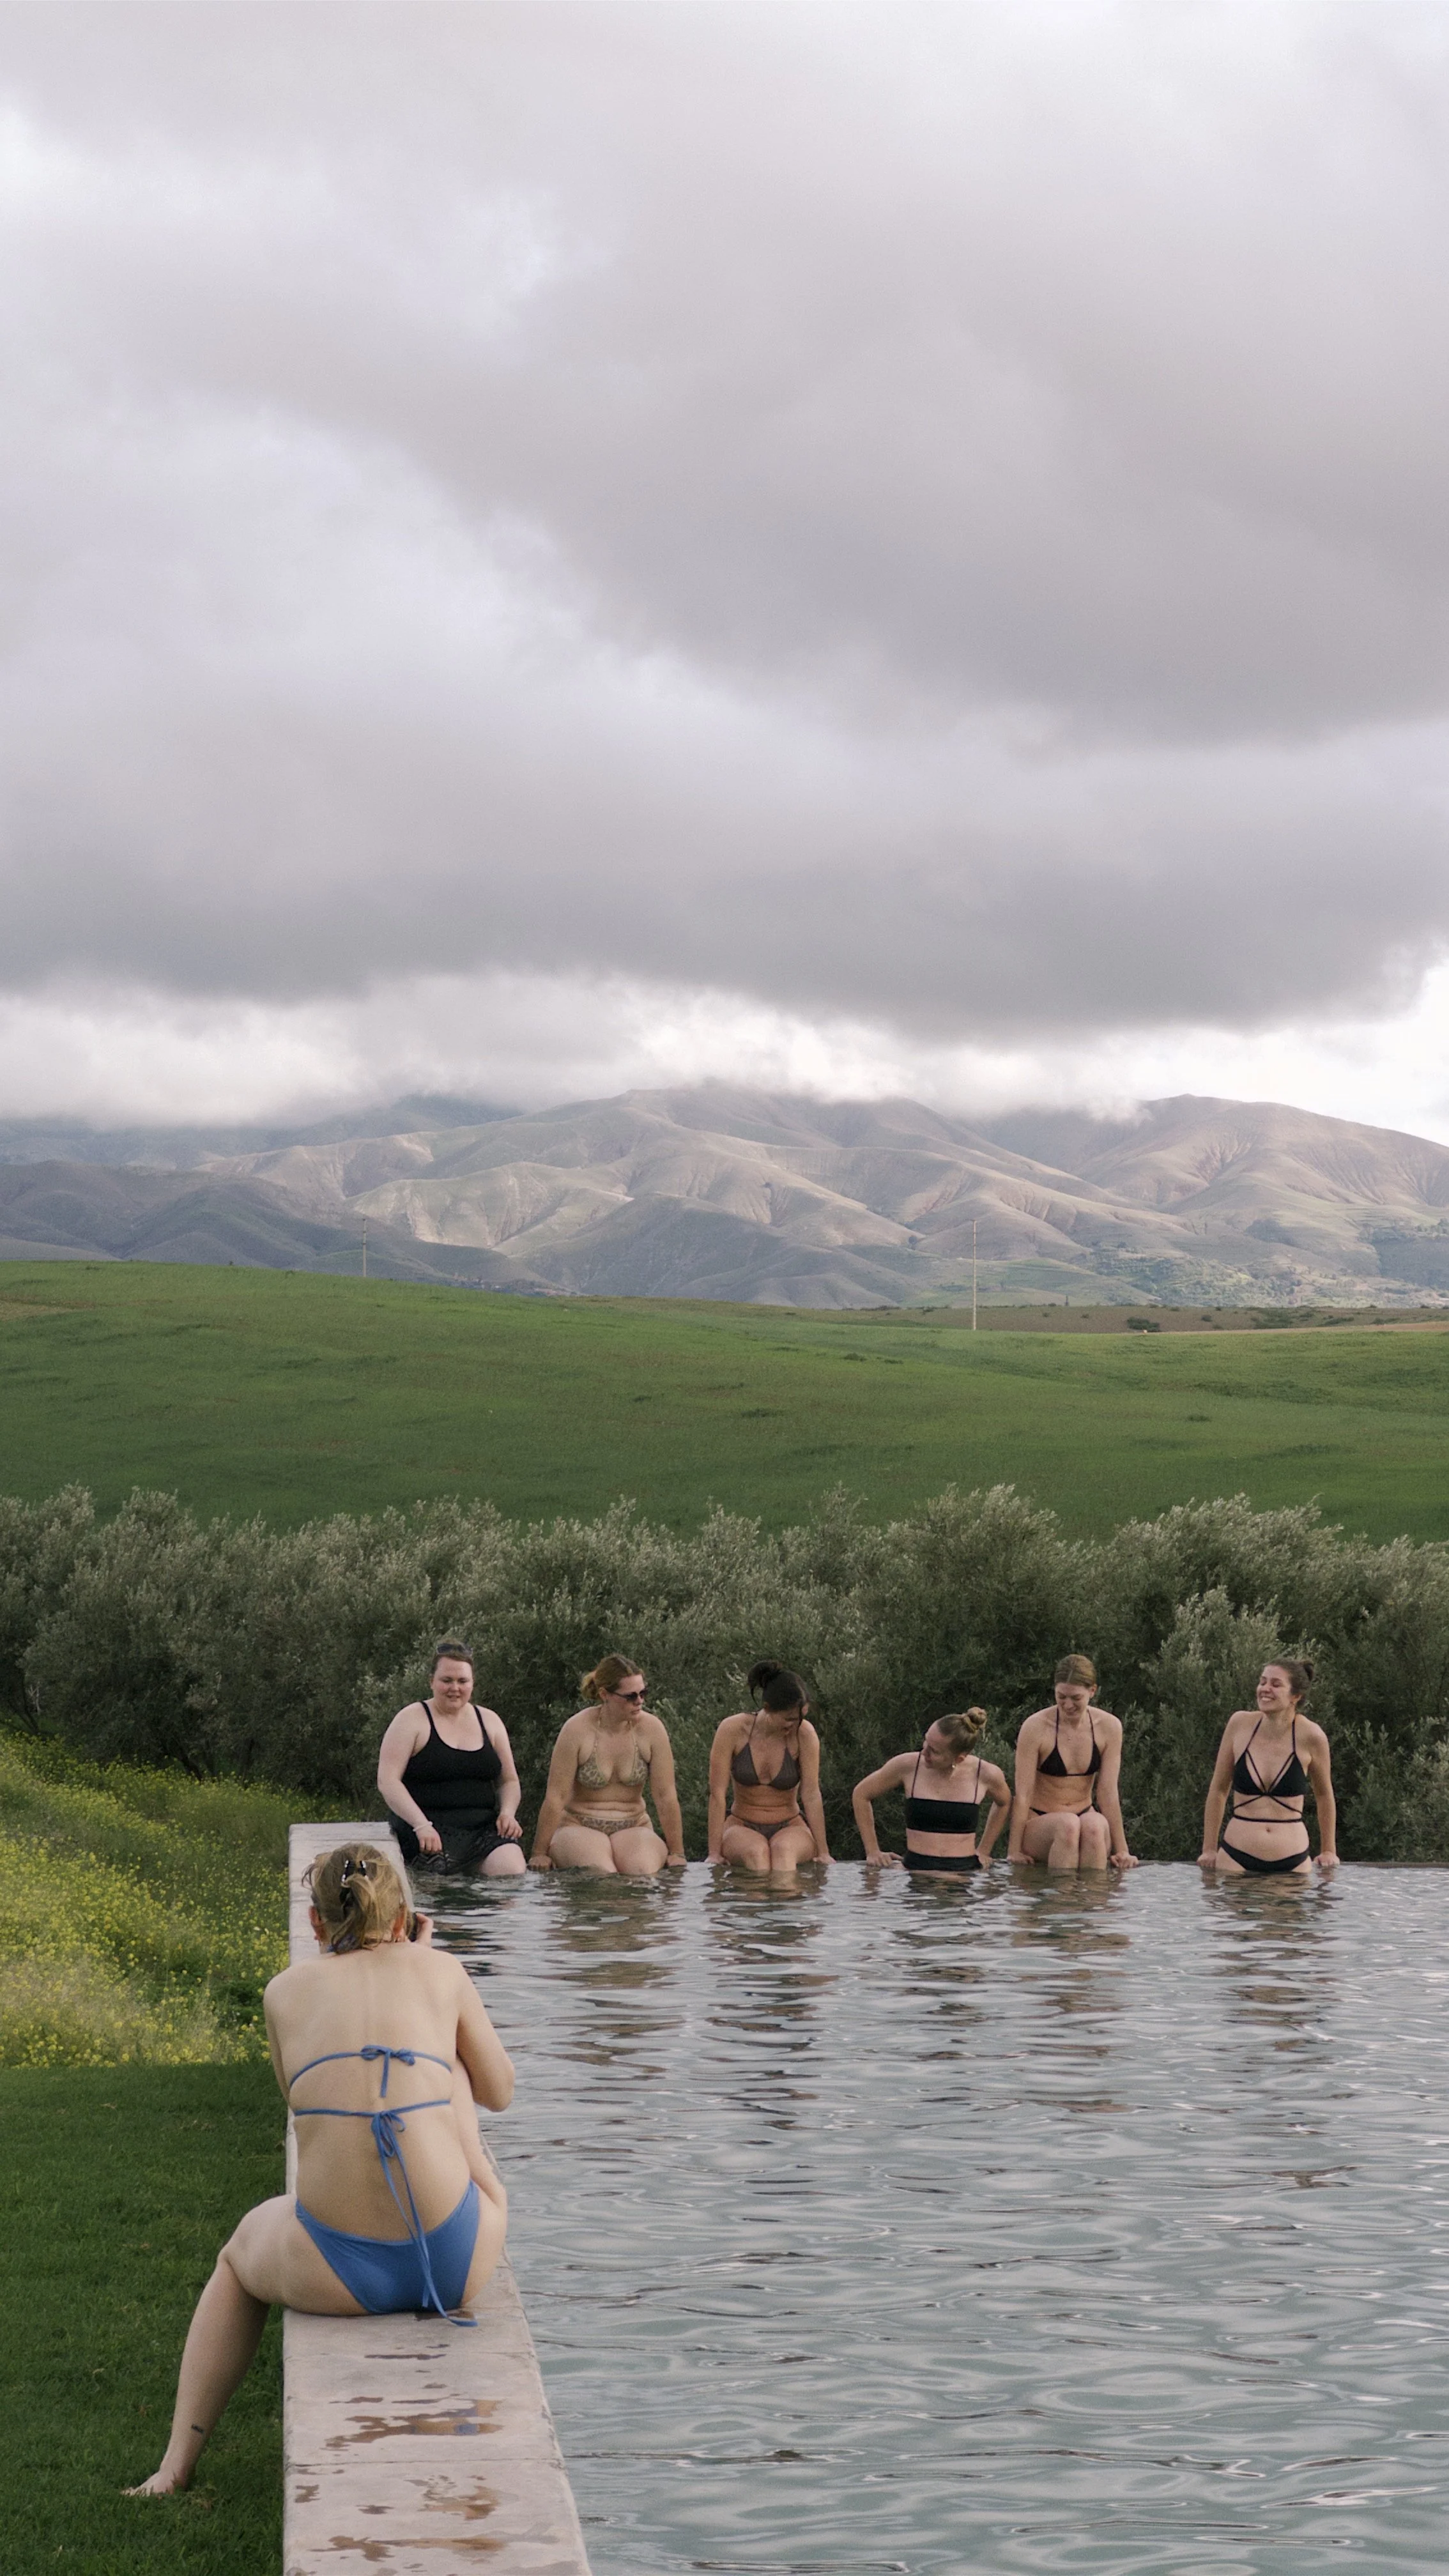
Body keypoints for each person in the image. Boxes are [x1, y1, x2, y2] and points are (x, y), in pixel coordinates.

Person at [128, 1841, 513, 2497]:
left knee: (236, 2260)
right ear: (403, 1918)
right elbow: (500, 2090)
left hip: (335, 2268)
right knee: (447, 2068)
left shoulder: (283, 1992)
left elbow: (298, 2101)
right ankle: (470, 2168)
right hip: (457, 2260)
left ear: (314, 1926)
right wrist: (424, 1966)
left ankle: (175, 2468)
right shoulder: (441, 1970)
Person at [377, 1640, 526, 1876]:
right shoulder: (411, 1720)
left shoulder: (490, 1721)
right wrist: (421, 1825)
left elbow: (509, 1781)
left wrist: (508, 1813)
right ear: (432, 1682)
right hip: (427, 1830)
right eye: (447, 1681)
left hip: (482, 1829)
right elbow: (388, 1781)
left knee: (512, 1873)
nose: (454, 1688)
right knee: (438, 1887)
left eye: (462, 1681)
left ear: (472, 1684)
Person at [530, 1655, 687, 1874]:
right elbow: (557, 1796)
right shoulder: (576, 1730)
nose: (639, 1701)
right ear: (605, 1695)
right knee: (602, 1874)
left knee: (641, 1872)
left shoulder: (652, 1729)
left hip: (634, 1825)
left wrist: (677, 1852)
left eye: (643, 1693)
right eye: (631, 1696)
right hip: (579, 1825)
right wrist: (539, 1853)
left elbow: (665, 1795)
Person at [1199, 1658, 1337, 1878]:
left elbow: (1324, 1795)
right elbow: (1218, 1789)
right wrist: (1208, 1849)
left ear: (1296, 1696)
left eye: (1275, 1684)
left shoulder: (1311, 1736)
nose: (1265, 1689)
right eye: (1263, 1682)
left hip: (1293, 1860)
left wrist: (1329, 1850)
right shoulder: (1239, 1724)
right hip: (1236, 1856)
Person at [1008, 1653, 1137, 1872]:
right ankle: (1062, 1901)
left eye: (1076, 1698)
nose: (1068, 1705)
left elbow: (1107, 1793)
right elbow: (1024, 1793)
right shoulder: (1035, 1727)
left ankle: (1093, 1900)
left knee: (1095, 1826)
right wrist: (1013, 1851)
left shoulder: (1109, 1727)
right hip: (1041, 1821)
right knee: (1067, 1825)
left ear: (1092, 1691)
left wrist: (1123, 1850)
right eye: (1061, 1697)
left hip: (1085, 1815)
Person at [707, 1660, 831, 1874]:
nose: (795, 1724)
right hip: (741, 1824)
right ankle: (754, 1906)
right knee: (758, 1855)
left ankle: (786, 1905)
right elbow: (717, 1793)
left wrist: (824, 1852)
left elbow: (811, 1794)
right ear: (768, 1709)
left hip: (790, 1825)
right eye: (789, 1719)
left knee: (783, 1853)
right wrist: (714, 1853)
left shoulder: (804, 1734)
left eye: (801, 1717)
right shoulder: (732, 1730)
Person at [852, 1708, 1010, 1874]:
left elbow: (1004, 1803)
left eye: (934, 1751)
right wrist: (872, 1851)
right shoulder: (907, 1765)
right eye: (926, 1741)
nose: (924, 1752)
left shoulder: (984, 1773)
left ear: (959, 1758)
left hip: (963, 1874)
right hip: (915, 1870)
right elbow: (861, 1794)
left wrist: (984, 1850)